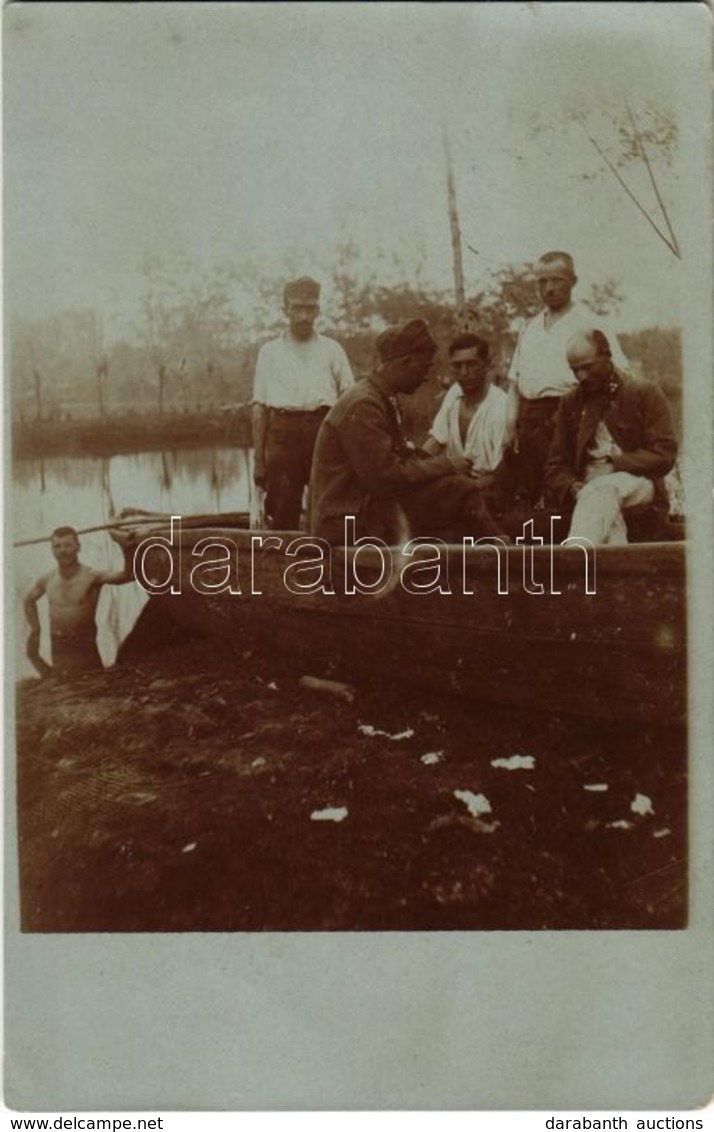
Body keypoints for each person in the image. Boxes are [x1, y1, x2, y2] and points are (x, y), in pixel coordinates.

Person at [308, 318, 508, 545]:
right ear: (406, 362)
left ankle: (492, 550)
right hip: (347, 520)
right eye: (424, 367)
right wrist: (447, 465)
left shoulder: (378, 398)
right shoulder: (364, 405)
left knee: (453, 520)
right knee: (459, 489)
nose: (425, 377)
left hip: (359, 511)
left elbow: (399, 461)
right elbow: (386, 477)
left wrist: (442, 468)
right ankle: (502, 550)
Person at [504, 251, 630, 507]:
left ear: (573, 281)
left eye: (557, 280)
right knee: (531, 493)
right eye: (542, 281)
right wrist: (510, 424)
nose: (549, 288)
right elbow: (515, 382)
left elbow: (620, 374)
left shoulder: (589, 322)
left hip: (571, 414)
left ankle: (577, 544)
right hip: (530, 420)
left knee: (568, 492)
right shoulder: (529, 327)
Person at [544, 329, 677, 545]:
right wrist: (571, 486)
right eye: (574, 370)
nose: (581, 376)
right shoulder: (570, 403)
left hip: (640, 482)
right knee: (603, 503)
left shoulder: (643, 392)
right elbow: (555, 465)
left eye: (587, 367)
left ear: (607, 356)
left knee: (601, 490)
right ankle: (615, 569)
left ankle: (574, 563)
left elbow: (665, 454)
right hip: (590, 489)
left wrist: (615, 465)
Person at [252, 276, 355, 530]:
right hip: (282, 435)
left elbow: (351, 401)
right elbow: (260, 407)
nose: (303, 316)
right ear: (285, 309)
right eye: (297, 308)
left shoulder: (332, 350)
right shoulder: (270, 352)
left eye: (309, 309)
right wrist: (258, 460)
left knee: (328, 505)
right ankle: (284, 564)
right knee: (282, 506)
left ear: (318, 311)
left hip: (323, 431)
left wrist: (350, 449)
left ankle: (325, 563)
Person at [23, 526, 137, 677]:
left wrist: (127, 548)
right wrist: (35, 629)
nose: (63, 550)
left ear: (78, 547)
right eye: (57, 546)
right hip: (59, 652)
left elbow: (128, 576)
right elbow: (28, 600)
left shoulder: (92, 576)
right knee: (64, 691)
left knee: (91, 691)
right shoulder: (47, 579)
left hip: (85, 651)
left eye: (68, 545)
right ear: (52, 550)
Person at [423, 332, 507, 486]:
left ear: (487, 365)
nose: (464, 373)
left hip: (487, 490)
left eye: (471, 364)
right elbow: (436, 440)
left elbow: (501, 475)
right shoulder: (455, 391)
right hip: (455, 484)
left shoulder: (501, 407)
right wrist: (417, 468)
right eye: (457, 365)